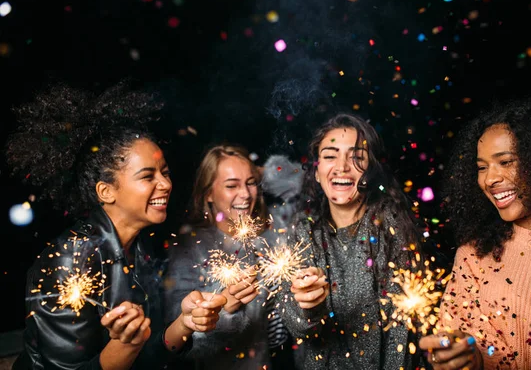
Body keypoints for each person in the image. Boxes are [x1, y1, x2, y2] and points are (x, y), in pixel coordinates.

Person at [7, 82, 227, 370]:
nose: (166, 184)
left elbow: (146, 357)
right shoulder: (69, 261)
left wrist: (184, 324)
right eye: (148, 176)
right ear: (106, 192)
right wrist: (127, 344)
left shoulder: (140, 248)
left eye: (165, 173)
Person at [418, 96, 531, 369]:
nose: (490, 179)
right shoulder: (473, 258)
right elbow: (457, 342)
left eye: (505, 162)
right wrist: (465, 358)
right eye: (481, 167)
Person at [276, 112, 428, 370]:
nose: (342, 166)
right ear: (316, 170)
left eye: (356, 156)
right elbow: (297, 328)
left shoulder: (394, 229)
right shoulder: (302, 231)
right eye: (330, 155)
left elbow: (403, 333)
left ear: (370, 169)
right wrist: (310, 306)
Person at [163, 144, 302, 369]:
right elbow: (181, 346)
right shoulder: (189, 248)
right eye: (231, 185)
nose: (246, 194)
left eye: (250, 183)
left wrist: (264, 171)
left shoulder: (270, 233)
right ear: (208, 193)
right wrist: (226, 310)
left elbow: (306, 184)